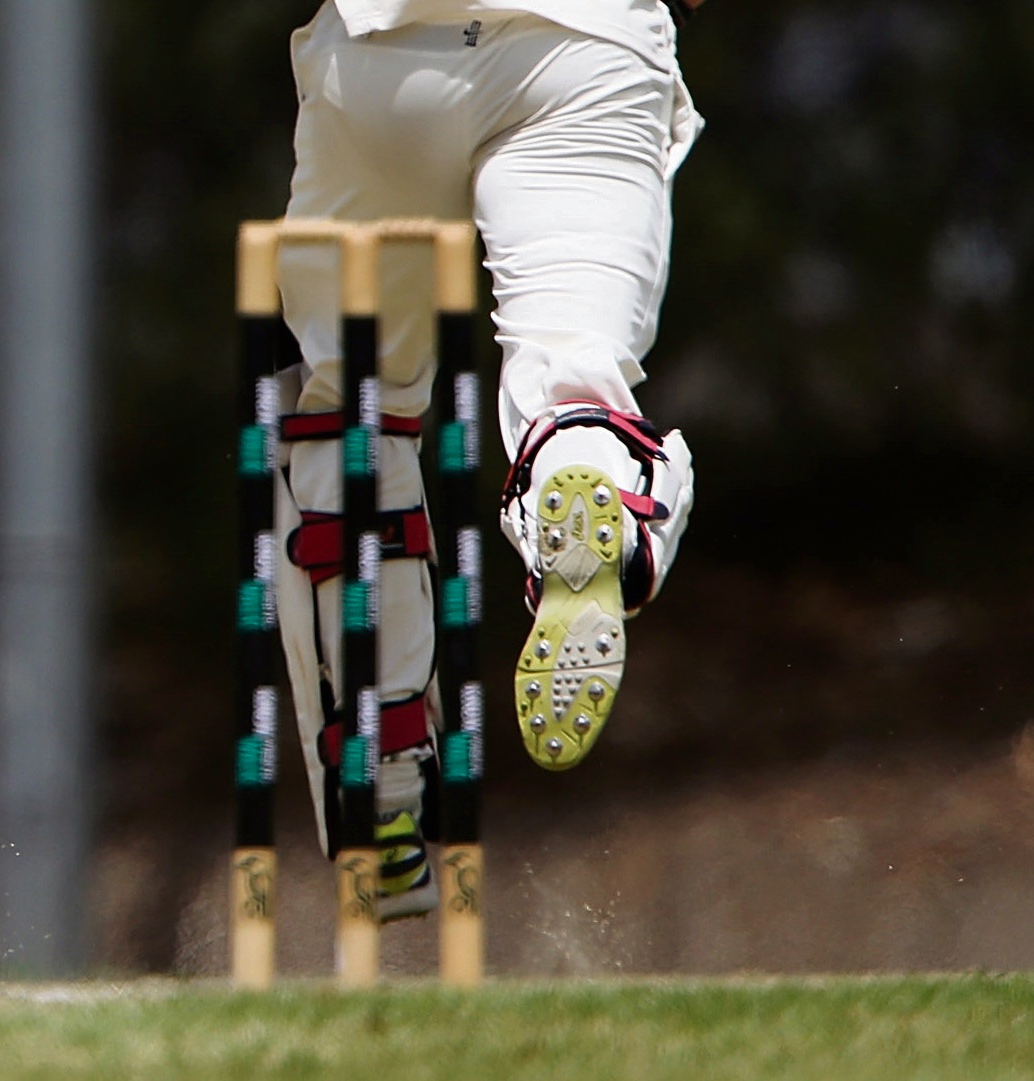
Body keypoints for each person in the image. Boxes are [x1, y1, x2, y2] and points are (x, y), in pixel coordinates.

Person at [270, 0, 703, 920]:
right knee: (572, 372)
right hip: (583, 48)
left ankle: (379, 773)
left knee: (356, 411)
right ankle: (588, 493)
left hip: (381, 60)